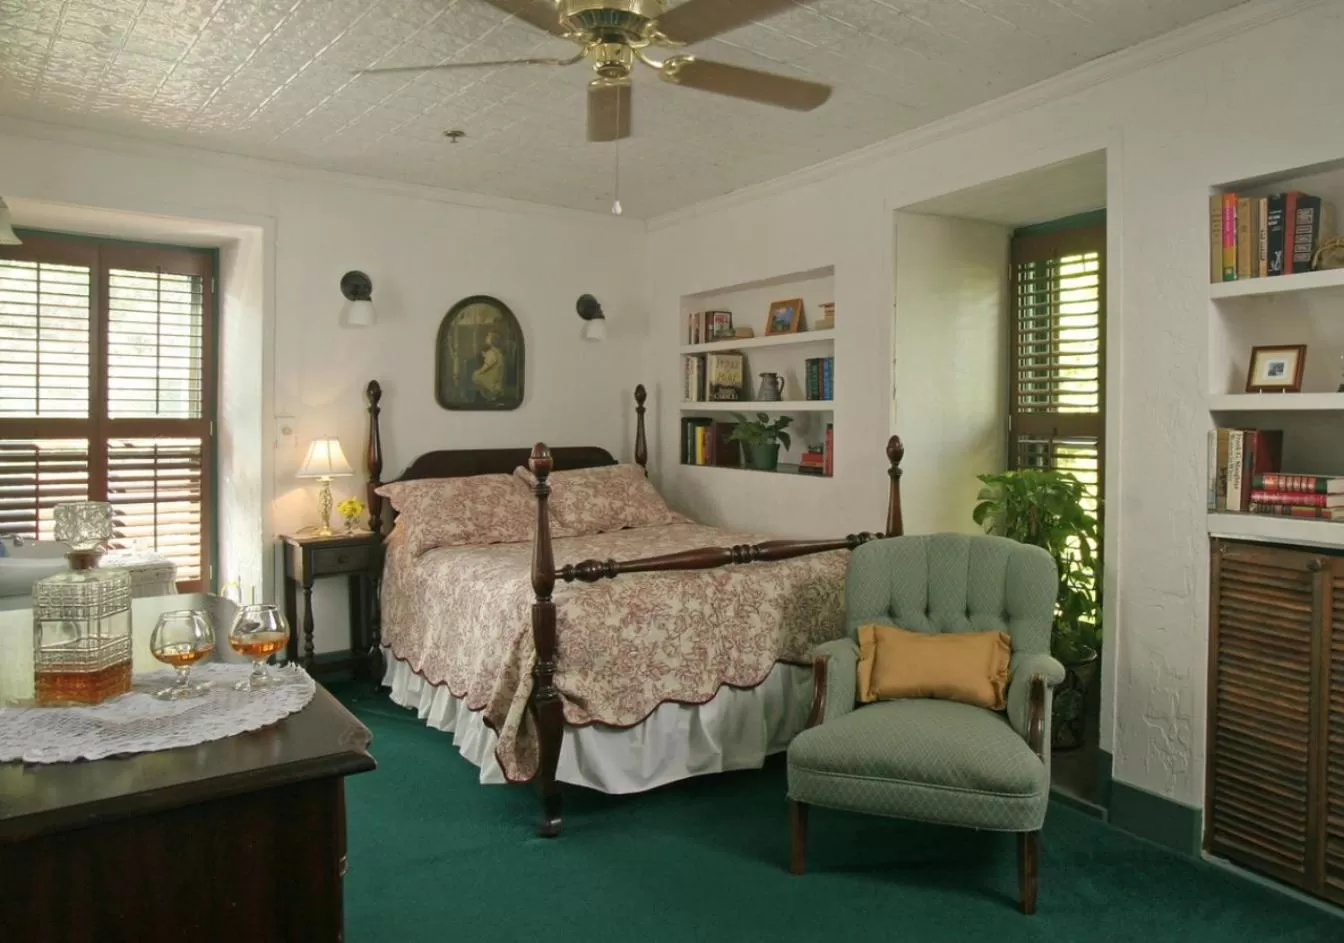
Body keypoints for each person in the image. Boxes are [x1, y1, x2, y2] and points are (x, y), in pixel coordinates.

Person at [472, 330, 505, 401]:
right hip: (498, 376)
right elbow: (493, 359)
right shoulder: (497, 351)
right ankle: (492, 392)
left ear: (493, 340)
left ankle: (491, 390)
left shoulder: (491, 352)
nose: (486, 337)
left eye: (488, 336)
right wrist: (485, 355)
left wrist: (480, 371)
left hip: (494, 378)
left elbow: (487, 364)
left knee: (475, 376)